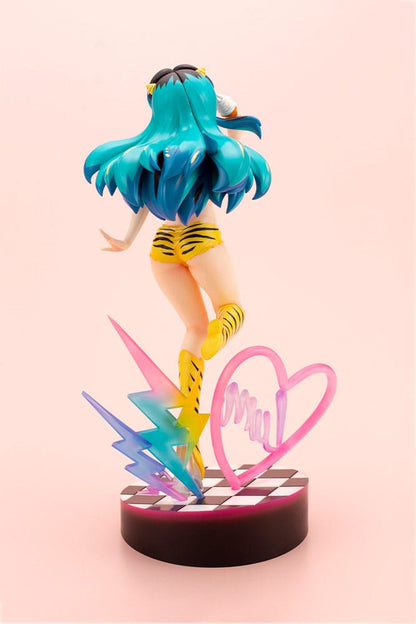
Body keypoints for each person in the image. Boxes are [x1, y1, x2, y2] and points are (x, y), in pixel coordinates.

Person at [84, 64, 271, 485]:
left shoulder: (151, 153)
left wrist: (126, 240)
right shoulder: (214, 147)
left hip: (162, 249)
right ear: (202, 103)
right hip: (202, 240)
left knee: (192, 328)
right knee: (232, 310)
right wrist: (226, 105)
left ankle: (189, 431)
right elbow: (237, 142)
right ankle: (219, 335)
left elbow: (141, 202)